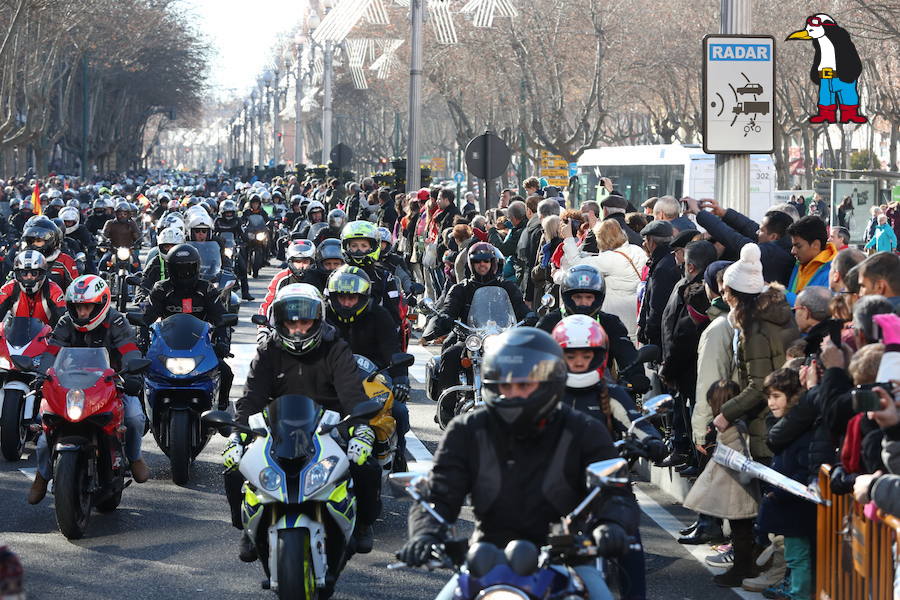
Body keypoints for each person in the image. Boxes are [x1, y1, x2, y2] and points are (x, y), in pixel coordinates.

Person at [395, 327, 639, 600]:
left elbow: (616, 492)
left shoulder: (584, 430)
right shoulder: (467, 430)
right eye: (505, 385)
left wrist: (611, 524)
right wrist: (424, 534)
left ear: (550, 383)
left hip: (566, 555)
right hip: (486, 555)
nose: (513, 394)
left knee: (600, 594)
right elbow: (440, 492)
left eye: (524, 385)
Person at [225, 283, 384, 558]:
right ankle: (246, 529)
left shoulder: (335, 348)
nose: (298, 329)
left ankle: (363, 525)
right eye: (290, 322)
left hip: (329, 425)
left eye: (305, 322)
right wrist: (236, 436)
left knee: (366, 466)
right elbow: (251, 397)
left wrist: (361, 431)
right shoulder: (267, 351)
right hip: (277, 427)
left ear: (318, 321)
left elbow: (352, 393)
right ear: (279, 322)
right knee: (234, 465)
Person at [28, 275, 149, 504]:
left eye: (87, 307)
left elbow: (130, 350)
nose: (82, 313)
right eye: (77, 307)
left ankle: (134, 458)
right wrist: (41, 375)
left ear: (101, 303)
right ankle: (42, 476)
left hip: (111, 384)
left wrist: (133, 374)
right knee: (43, 431)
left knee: (134, 416)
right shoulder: (65, 322)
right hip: (69, 386)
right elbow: (51, 352)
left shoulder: (117, 321)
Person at [324, 266, 411, 469]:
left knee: (399, 411)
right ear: (333, 297)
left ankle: (398, 457)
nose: (346, 303)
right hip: (330, 379)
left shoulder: (380, 316)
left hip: (376, 377)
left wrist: (400, 380)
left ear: (363, 297)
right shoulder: (323, 316)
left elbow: (393, 349)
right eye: (341, 297)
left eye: (352, 298)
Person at [682, 380, 761, 588]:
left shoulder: (731, 429)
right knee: (742, 532)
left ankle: (742, 569)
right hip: (736, 490)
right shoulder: (737, 424)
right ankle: (745, 567)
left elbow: (739, 461)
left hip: (737, 491)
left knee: (741, 533)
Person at [141, 244, 233, 410]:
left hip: (201, 345)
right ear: (170, 269)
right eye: (179, 269)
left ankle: (221, 409)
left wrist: (223, 342)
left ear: (197, 267)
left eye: (188, 269)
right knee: (141, 370)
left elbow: (221, 318)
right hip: (165, 345)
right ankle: (143, 410)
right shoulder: (161, 288)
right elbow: (146, 319)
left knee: (226, 371)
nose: (184, 273)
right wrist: (141, 341)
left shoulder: (206, 289)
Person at [756, 368, 816, 599]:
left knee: (799, 557)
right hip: (790, 504)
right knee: (795, 555)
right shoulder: (788, 427)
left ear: (793, 397)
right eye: (769, 397)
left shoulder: (800, 431)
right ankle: (794, 591)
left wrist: (780, 491)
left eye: (777, 396)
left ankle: (799, 595)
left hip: (797, 506)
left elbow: (802, 471)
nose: (771, 403)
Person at [557, 219, 647, 340]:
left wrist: (568, 238)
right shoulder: (637, 250)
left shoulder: (611, 259)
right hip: (635, 311)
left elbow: (577, 264)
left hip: (616, 314)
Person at [686, 198, 795, 286]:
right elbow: (750, 227)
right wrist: (723, 213)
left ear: (773, 237)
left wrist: (699, 213)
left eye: (761, 230)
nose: (757, 232)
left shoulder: (770, 254)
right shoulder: (783, 245)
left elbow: (732, 238)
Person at [340, 220, 401, 326]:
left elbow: (393, 316)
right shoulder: (337, 276)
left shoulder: (385, 277)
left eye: (364, 246)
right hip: (344, 331)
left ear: (373, 247)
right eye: (354, 246)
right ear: (347, 247)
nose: (359, 250)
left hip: (375, 332)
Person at [257, 239, 325, 324]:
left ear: (312, 261)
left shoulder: (319, 277)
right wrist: (263, 329)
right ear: (290, 261)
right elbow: (268, 304)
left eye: (305, 262)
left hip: (313, 325)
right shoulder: (281, 278)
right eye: (297, 261)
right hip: (285, 325)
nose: (301, 266)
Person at [636, 220, 679, 348]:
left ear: (651, 242)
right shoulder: (669, 259)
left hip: (660, 337)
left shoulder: (661, 267)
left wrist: (649, 331)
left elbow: (657, 305)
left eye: (646, 240)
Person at [0, 250, 65, 325]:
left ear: (41, 274)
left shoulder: (54, 290)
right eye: (24, 273)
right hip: (16, 334)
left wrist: (55, 335)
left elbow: (62, 322)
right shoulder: (8, 289)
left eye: (34, 273)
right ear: (18, 274)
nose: (29, 277)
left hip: (47, 335)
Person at [785, 215, 837, 305]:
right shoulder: (799, 263)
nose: (793, 251)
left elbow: (817, 309)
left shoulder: (833, 272)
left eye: (798, 246)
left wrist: (783, 294)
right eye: (793, 246)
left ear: (816, 245)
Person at [214, 198, 253, 300]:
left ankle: (245, 293)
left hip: (234, 247)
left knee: (243, 268)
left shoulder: (237, 221)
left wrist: (245, 240)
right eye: (227, 213)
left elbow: (242, 233)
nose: (229, 215)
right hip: (220, 249)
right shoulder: (217, 221)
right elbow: (212, 234)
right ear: (222, 212)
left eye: (231, 213)